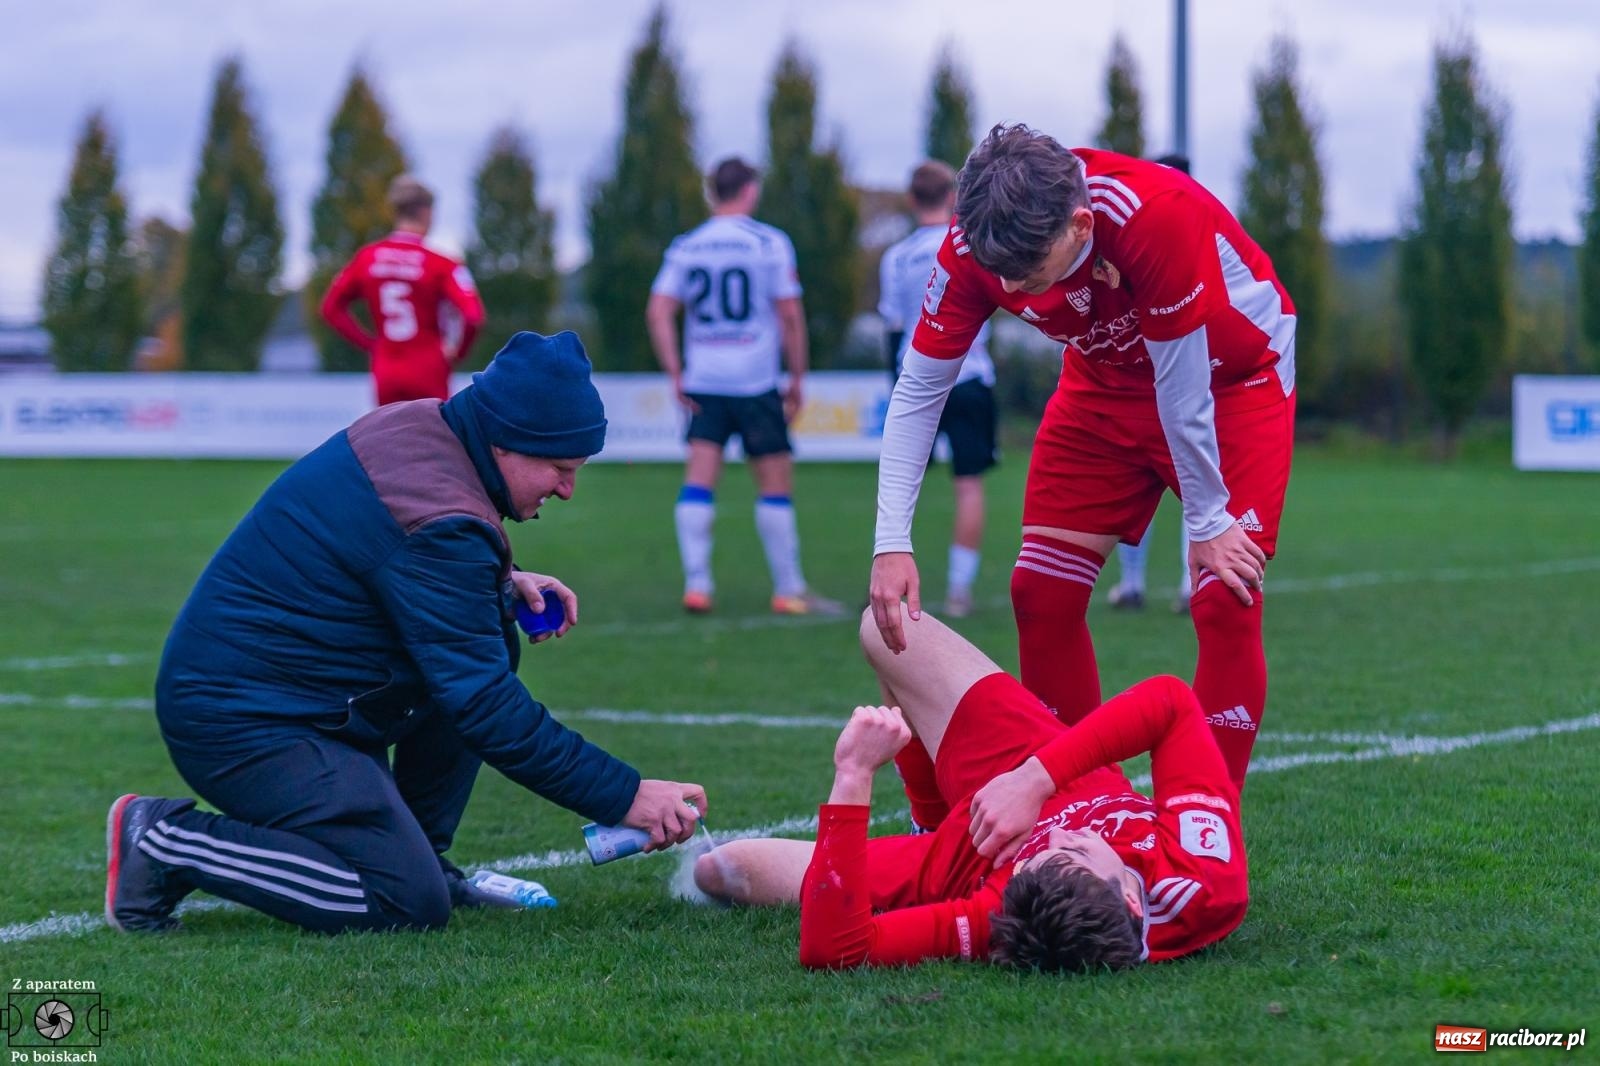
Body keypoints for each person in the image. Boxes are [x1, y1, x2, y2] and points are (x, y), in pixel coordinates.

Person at [107, 331, 706, 935]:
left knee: (490, 634)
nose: (568, 488)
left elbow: (387, 549)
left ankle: (418, 852)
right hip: (239, 722)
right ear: (505, 442)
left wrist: (502, 577)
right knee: (404, 903)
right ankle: (163, 840)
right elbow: (485, 706)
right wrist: (625, 795)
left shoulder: (429, 424)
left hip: (299, 699)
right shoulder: (440, 517)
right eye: (559, 467)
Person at [868, 126, 1296, 784]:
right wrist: (890, 539)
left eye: (1030, 272)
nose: (1017, 290)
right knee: (1039, 593)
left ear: (1081, 223)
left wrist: (1209, 522)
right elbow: (921, 387)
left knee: (1224, 597)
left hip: (1230, 379)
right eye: (1003, 275)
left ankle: (1203, 831)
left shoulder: (1156, 216)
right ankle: (1084, 810)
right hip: (1103, 382)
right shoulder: (970, 244)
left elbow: (1183, 392)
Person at [692, 606, 1248, 972]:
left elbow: (834, 950)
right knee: (886, 626)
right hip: (1029, 764)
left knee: (720, 869)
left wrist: (854, 775)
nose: (1053, 839)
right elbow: (1170, 702)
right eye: (1074, 848)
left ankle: (929, 823)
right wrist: (1035, 781)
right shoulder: (1204, 879)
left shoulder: (999, 913)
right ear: (1130, 897)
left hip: (954, 855)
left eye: (1036, 857)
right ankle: (930, 805)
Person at [646, 157, 840, 617]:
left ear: (712, 192)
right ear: (749, 191)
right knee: (774, 481)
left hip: (705, 380)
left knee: (699, 478)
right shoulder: (769, 242)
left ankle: (698, 584)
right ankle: (788, 588)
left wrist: (675, 371)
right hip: (755, 380)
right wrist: (796, 377)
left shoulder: (687, 246)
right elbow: (790, 315)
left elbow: (658, 311)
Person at [877, 161, 999, 619]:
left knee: (903, 483)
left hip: (917, 380)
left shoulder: (895, 257)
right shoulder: (969, 244)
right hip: (968, 375)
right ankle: (958, 591)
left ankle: (892, 568)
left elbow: (891, 327)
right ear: (953, 196)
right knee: (968, 487)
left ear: (912, 200)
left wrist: (895, 387)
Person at [321, 174, 486, 406]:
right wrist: (456, 353)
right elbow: (473, 317)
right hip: (429, 368)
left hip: (386, 368)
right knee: (433, 441)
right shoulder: (443, 264)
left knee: (390, 439)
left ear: (396, 211)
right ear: (427, 212)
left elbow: (330, 308)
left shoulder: (367, 257)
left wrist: (370, 344)